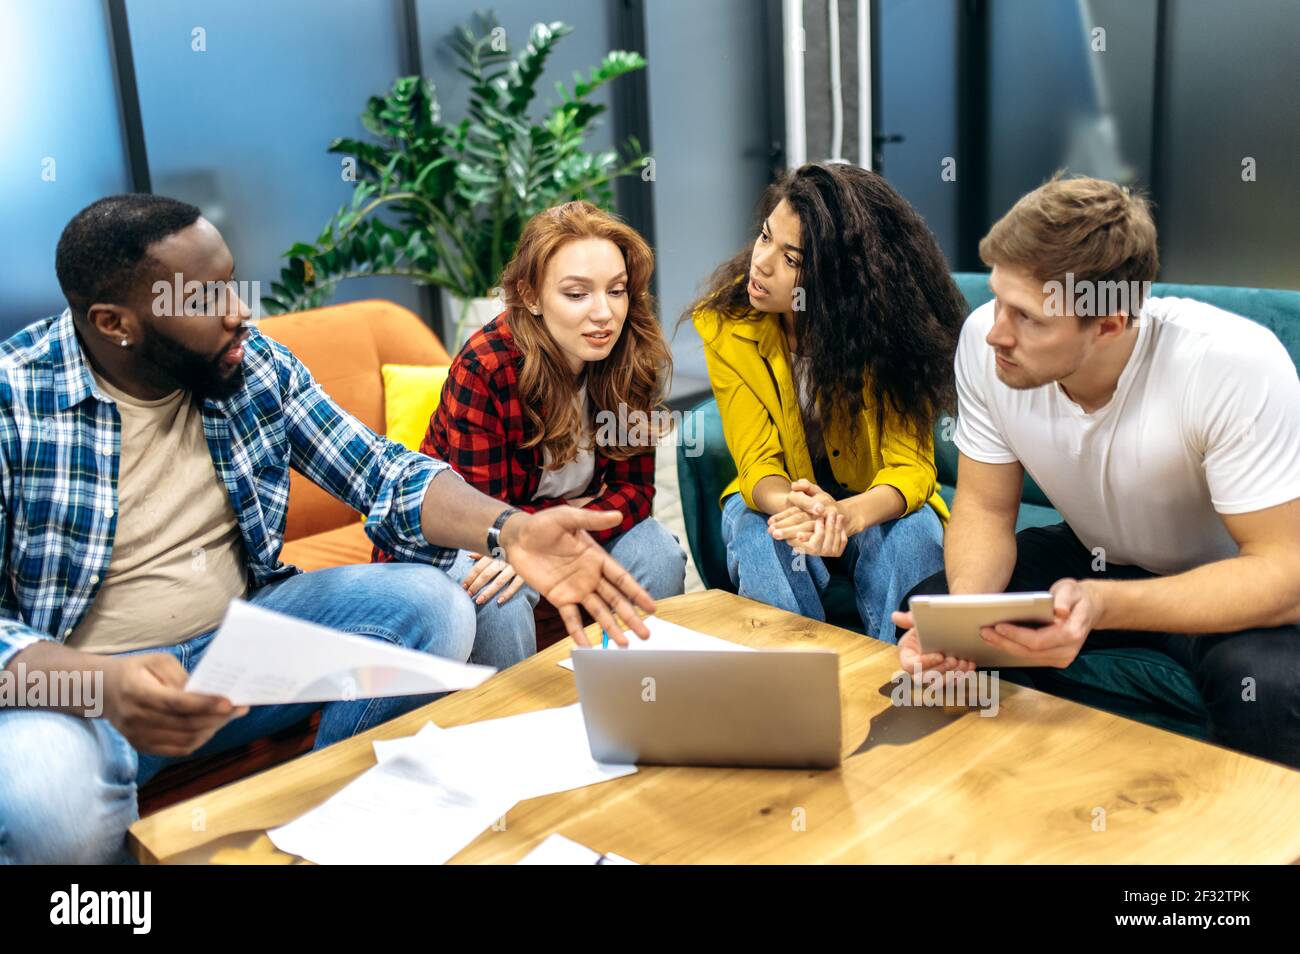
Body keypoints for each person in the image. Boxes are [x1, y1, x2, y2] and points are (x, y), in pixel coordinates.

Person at [0, 194, 654, 863]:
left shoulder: (253, 364)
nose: (240, 312)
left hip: (241, 650)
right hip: (81, 689)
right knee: (51, 809)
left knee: (436, 605)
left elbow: (382, 472)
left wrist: (509, 530)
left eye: (232, 282)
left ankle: (331, 828)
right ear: (116, 324)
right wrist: (100, 684)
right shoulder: (14, 402)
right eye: (206, 298)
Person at [893, 174, 1300, 768]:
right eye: (999, 299)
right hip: (1091, 557)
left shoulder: (1229, 366)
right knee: (929, 609)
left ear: (1109, 324)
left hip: (1221, 579)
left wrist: (1101, 605)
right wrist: (965, 624)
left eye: (1028, 317)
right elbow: (983, 507)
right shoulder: (986, 341)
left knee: (1269, 688)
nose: (997, 333)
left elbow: (1284, 575)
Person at [375, 201, 686, 665]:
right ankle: (515, 726)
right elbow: (484, 516)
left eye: (616, 291)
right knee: (496, 594)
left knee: (658, 551)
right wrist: (560, 515)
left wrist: (552, 520)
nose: (605, 313)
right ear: (531, 296)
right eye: (577, 294)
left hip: (526, 524)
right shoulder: (488, 365)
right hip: (458, 540)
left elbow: (636, 492)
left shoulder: (631, 354)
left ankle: (631, 699)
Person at [690, 162, 966, 642]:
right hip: (784, 497)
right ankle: (795, 680)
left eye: (792, 260)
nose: (762, 262)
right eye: (764, 237)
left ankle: (905, 678)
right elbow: (757, 462)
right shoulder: (727, 323)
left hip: (869, 498)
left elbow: (911, 468)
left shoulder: (890, 334)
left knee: (914, 534)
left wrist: (846, 515)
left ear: (841, 279)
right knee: (760, 531)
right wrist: (799, 509)